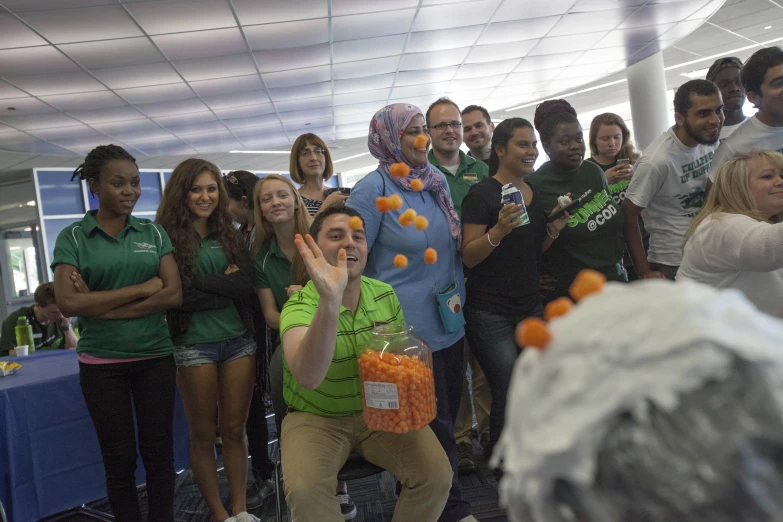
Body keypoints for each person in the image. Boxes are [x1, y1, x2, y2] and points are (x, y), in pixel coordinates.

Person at [278, 206, 452, 522]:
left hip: (381, 413)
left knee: (436, 475)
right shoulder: (299, 305)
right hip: (317, 417)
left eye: (358, 236)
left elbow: (397, 362)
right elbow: (308, 376)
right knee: (305, 491)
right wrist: (330, 301)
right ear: (316, 248)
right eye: (335, 236)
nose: (349, 243)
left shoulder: (384, 294)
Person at [347, 103, 477, 522]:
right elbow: (351, 258)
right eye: (413, 133)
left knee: (447, 415)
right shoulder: (373, 189)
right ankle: (448, 508)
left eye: (425, 130)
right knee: (426, 424)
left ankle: (435, 498)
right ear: (389, 139)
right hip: (403, 333)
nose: (424, 139)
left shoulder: (433, 180)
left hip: (449, 319)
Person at [51, 144, 182, 522]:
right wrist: (142, 289)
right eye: (118, 182)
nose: (130, 191)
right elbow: (69, 303)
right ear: (94, 185)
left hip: (155, 357)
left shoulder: (153, 233)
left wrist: (99, 303)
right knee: (119, 458)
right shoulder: (73, 237)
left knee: (159, 454)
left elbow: (172, 293)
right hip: (101, 364)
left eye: (135, 183)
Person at [461, 118, 569, 460]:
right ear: (500, 149)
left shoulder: (532, 191)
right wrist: (499, 231)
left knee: (536, 383)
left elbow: (530, 252)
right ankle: (504, 465)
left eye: (534, 145)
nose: (532, 151)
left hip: (528, 305)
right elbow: (469, 256)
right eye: (523, 145)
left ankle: (532, 455)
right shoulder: (481, 195)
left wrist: (553, 229)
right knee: (508, 387)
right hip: (489, 311)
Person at [157, 159, 258, 522]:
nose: (205, 196)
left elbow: (244, 287)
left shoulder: (228, 233)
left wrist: (196, 282)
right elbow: (176, 296)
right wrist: (220, 286)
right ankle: (217, 513)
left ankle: (240, 511)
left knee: (234, 430)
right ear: (181, 193)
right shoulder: (164, 236)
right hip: (192, 344)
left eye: (211, 188)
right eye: (196, 189)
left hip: (237, 342)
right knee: (203, 434)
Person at [527, 99, 627, 302]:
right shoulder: (534, 186)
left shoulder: (594, 171)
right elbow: (526, 246)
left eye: (579, 139)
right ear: (546, 146)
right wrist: (530, 279)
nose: (575, 147)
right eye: (565, 142)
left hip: (616, 282)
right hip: (573, 295)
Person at [623, 79, 723, 281]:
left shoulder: (710, 140)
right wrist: (644, 272)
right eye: (704, 113)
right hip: (673, 261)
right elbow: (627, 215)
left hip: (710, 250)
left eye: (718, 110)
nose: (715, 120)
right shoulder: (656, 161)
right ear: (680, 118)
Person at [678, 149, 783, 319]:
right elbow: (768, 247)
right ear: (738, 187)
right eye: (767, 176)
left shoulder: (767, 222)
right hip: (717, 338)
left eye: (781, 175)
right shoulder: (719, 226)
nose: (780, 181)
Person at [224, 170, 276, 510]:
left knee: (257, 405)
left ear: (242, 201)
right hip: (253, 325)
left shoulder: (259, 235)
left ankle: (265, 472)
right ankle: (264, 470)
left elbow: (246, 282)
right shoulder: (245, 232)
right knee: (253, 406)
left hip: (263, 327)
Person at [706, 47, 783, 193]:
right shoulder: (733, 148)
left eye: (737, 83)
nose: (733, 88)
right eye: (778, 84)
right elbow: (714, 203)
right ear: (754, 97)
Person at [587, 113, 643, 280]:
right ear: (594, 140)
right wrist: (604, 181)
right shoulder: (588, 169)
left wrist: (638, 174)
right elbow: (585, 207)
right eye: (605, 138)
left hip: (642, 237)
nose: (612, 143)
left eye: (617, 137)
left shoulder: (635, 161)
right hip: (610, 246)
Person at [426, 97, 489, 216]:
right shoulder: (420, 173)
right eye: (441, 125)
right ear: (428, 132)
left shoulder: (482, 169)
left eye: (455, 124)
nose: (449, 130)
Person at [0, 282, 77, 356]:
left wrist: (67, 326)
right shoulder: (17, 321)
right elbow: (14, 355)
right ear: (37, 306)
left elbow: (75, 349)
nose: (60, 316)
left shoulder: (63, 317)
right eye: (53, 312)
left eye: (62, 310)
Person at [290, 133, 347, 216]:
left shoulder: (340, 194)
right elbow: (301, 229)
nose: (313, 158)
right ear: (297, 162)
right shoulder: (294, 201)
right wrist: (326, 206)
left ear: (325, 158)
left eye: (318, 151)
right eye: (305, 153)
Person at [707, 56, 746, 138]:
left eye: (739, 82)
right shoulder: (706, 136)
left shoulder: (763, 126)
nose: (734, 88)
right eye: (724, 85)